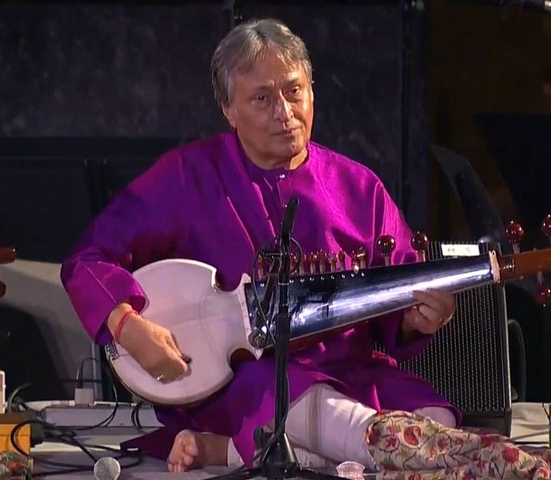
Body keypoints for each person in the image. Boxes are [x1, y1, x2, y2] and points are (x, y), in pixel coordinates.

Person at [60, 17, 459, 472]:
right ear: (228, 109)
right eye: (262, 99)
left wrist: (419, 320)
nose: (285, 112)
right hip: (244, 378)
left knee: (435, 415)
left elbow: (396, 307)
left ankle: (235, 451)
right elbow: (86, 261)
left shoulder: (358, 187)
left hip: (352, 371)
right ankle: (369, 449)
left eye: (294, 92)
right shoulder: (189, 176)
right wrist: (127, 326)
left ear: (312, 90)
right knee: (310, 405)